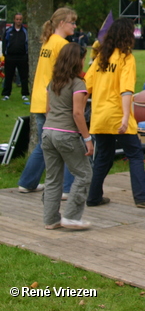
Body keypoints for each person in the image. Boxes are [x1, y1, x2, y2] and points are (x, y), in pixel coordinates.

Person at [84, 18, 145, 210]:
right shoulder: (127, 58)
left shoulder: (100, 59)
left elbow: (86, 88)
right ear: (127, 36)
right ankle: (142, 197)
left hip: (100, 116)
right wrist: (126, 117)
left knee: (103, 156)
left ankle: (93, 197)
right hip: (118, 114)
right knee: (135, 154)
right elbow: (126, 91)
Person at [17, 8, 78, 195]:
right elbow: (64, 75)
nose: (75, 26)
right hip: (52, 101)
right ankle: (67, 188)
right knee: (67, 142)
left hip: (40, 98)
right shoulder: (61, 44)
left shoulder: (48, 41)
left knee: (46, 144)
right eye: (72, 22)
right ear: (61, 23)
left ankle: (27, 182)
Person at [41, 43, 94, 230]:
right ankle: (71, 217)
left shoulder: (53, 82)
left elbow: (47, 110)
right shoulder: (78, 84)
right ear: (76, 60)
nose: (84, 61)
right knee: (84, 173)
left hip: (48, 133)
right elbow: (78, 114)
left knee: (53, 178)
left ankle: (50, 219)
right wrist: (87, 139)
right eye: (83, 58)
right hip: (67, 135)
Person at [2, 13, 30, 101]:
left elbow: (28, 43)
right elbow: (4, 43)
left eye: (20, 19)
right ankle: (6, 94)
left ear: (22, 20)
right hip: (10, 57)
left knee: (24, 76)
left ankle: (25, 94)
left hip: (22, 57)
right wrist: (5, 53)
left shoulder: (25, 31)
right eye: (17, 19)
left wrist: (26, 55)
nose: (18, 21)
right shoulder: (8, 31)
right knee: (9, 76)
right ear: (14, 20)